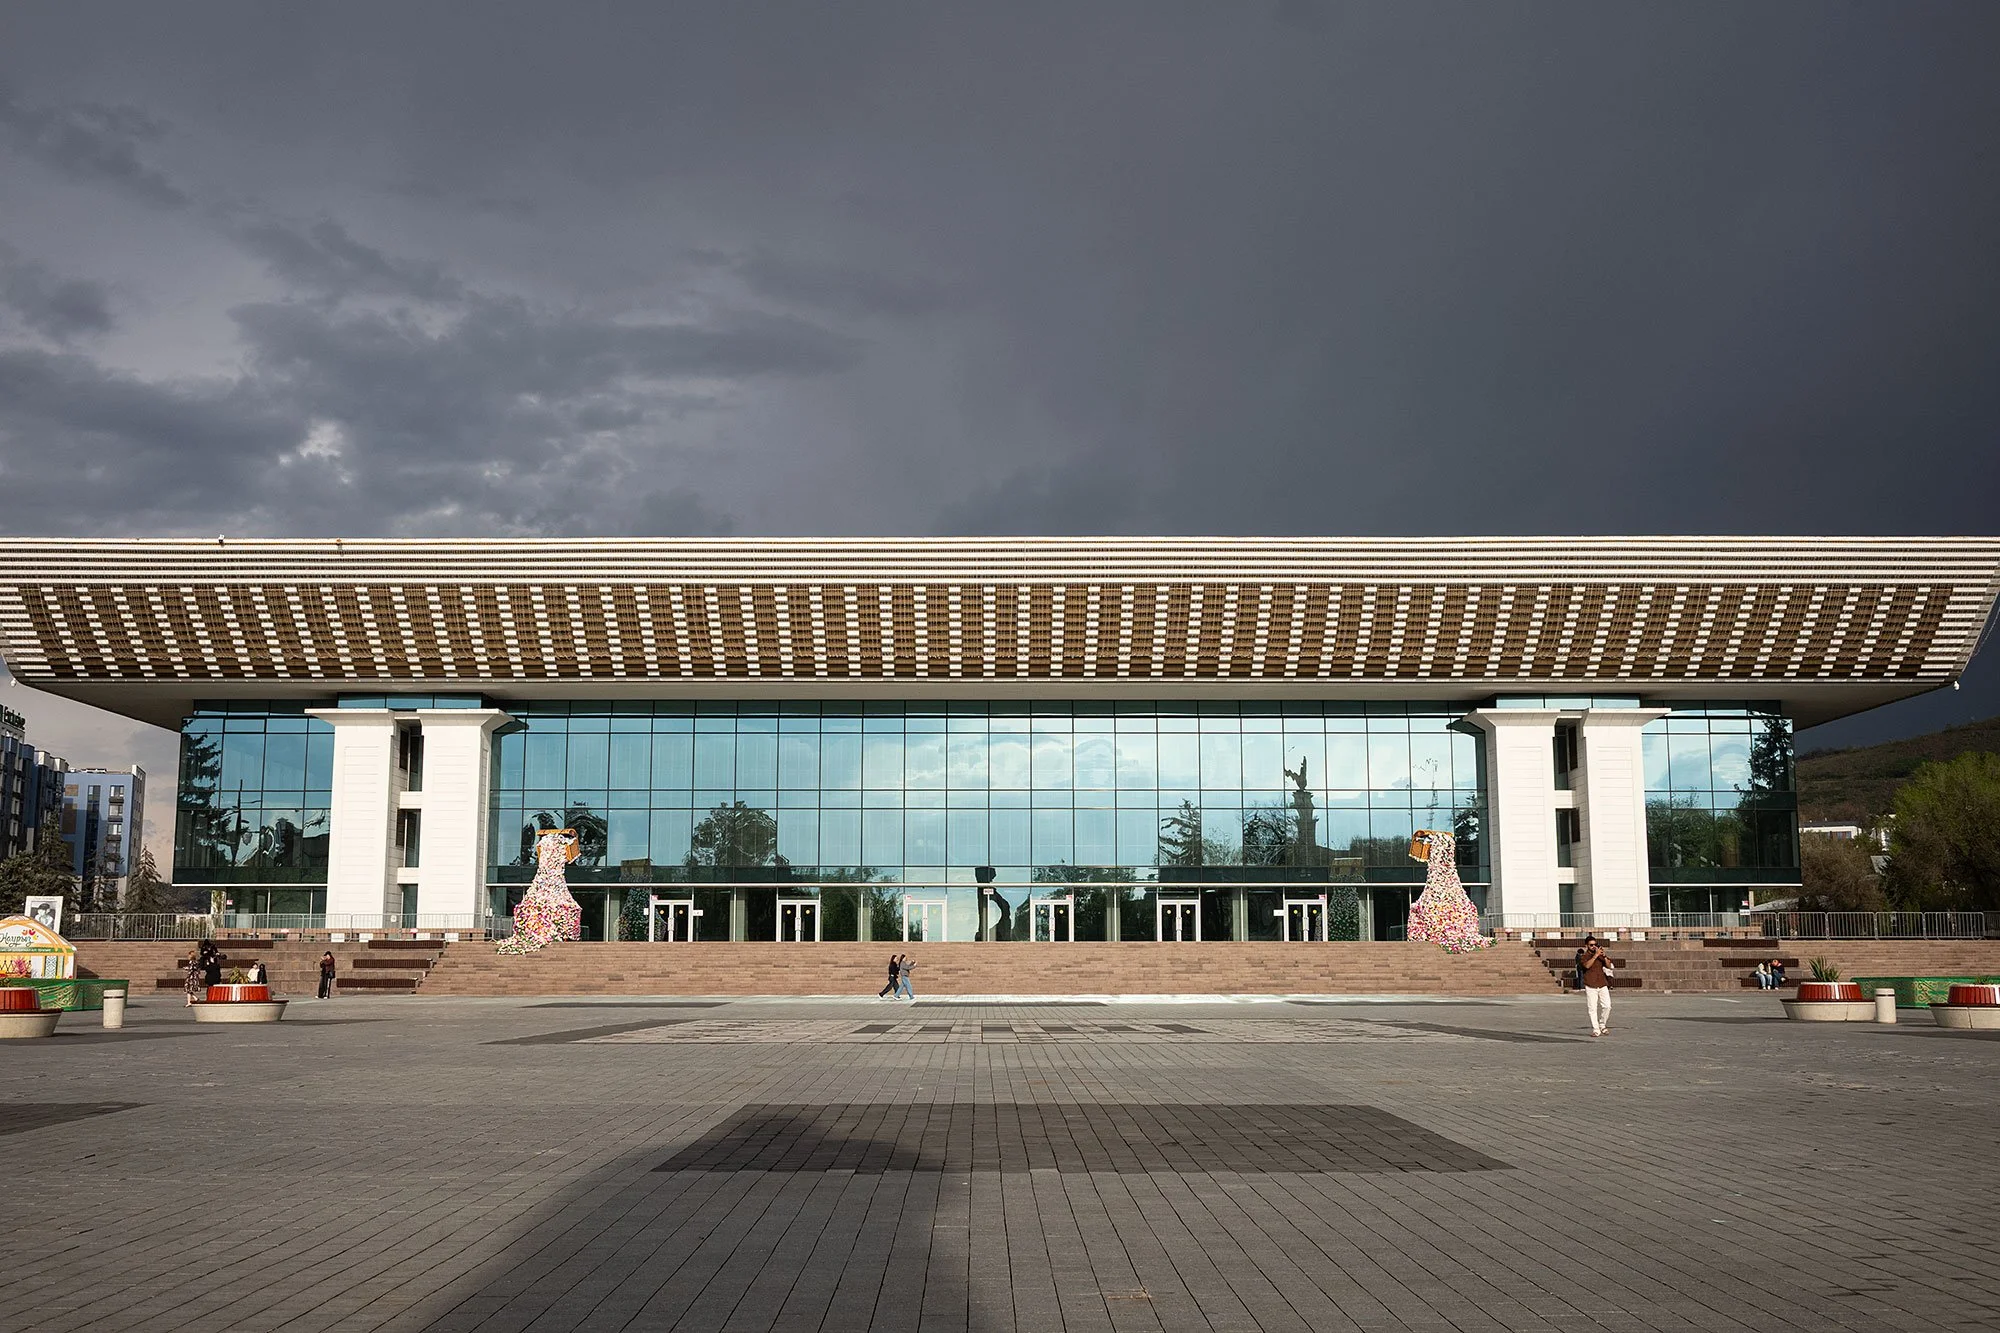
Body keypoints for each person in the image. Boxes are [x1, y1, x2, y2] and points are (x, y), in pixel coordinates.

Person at [1575, 934, 1613, 1036]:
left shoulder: (1600, 955)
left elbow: (1610, 966)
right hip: (1590, 984)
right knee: (1592, 1008)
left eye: (1595, 944)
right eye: (1591, 945)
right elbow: (1587, 965)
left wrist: (1604, 956)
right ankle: (1596, 1029)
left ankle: (1602, 1024)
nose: (1593, 947)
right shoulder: (1584, 956)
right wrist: (1595, 955)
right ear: (1586, 945)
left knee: (1607, 1006)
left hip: (1602, 983)